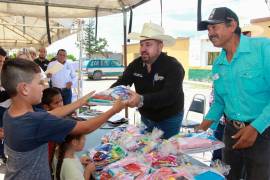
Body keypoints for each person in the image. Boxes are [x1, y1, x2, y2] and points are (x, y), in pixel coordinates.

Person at [1, 58, 126, 180]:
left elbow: (53, 113)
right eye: (40, 82)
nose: (44, 86)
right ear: (24, 89)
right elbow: (85, 127)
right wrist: (114, 110)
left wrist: (80, 102)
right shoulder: (37, 121)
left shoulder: (10, 114)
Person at [197, 7, 270, 180]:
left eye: (214, 27)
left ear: (232, 25)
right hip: (230, 132)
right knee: (229, 176)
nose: (210, 33)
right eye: (208, 29)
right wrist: (200, 130)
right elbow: (220, 102)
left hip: (263, 132)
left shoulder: (263, 48)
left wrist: (256, 127)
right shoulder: (218, 63)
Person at [111, 22, 185, 139]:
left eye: (148, 45)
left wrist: (141, 99)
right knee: (146, 150)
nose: (143, 49)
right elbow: (122, 82)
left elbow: (169, 95)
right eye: (141, 45)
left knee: (167, 153)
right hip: (146, 117)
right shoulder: (136, 64)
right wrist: (107, 93)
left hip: (169, 119)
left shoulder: (173, 66)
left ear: (160, 47)